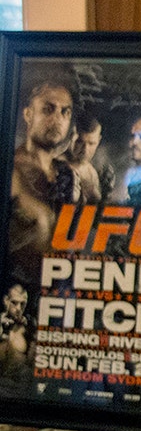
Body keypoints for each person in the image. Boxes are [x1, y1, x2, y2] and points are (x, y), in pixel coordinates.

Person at [9, 80, 75, 287]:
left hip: (57, 290)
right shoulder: (10, 168)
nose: (58, 119)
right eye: (48, 109)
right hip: (14, 292)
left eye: (65, 112)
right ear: (28, 114)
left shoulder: (65, 174)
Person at [54, 110, 109, 205]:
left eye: (91, 143)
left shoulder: (92, 170)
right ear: (72, 136)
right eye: (80, 142)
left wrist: (105, 196)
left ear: (98, 140)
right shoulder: (55, 167)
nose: (85, 149)